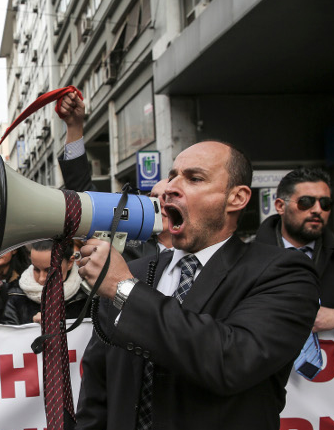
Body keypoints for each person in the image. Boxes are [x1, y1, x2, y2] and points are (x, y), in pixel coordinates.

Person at [74, 141, 319, 429]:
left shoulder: (284, 272)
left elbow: (231, 362)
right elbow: (97, 388)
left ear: (236, 198)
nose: (169, 188)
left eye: (194, 178)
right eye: (173, 175)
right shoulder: (133, 272)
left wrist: (125, 290)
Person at [255, 168, 334, 333]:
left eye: (325, 203)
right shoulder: (248, 258)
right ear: (280, 206)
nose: (317, 210)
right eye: (306, 202)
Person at [3, 241, 87, 325]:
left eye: (49, 271)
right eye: (36, 269)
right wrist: (33, 327)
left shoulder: (87, 295)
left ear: (70, 263)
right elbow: (8, 334)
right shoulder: (15, 294)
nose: (41, 279)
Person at [123, 178, 174, 261]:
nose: (157, 203)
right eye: (153, 197)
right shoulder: (130, 248)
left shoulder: (196, 249)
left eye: (167, 197)